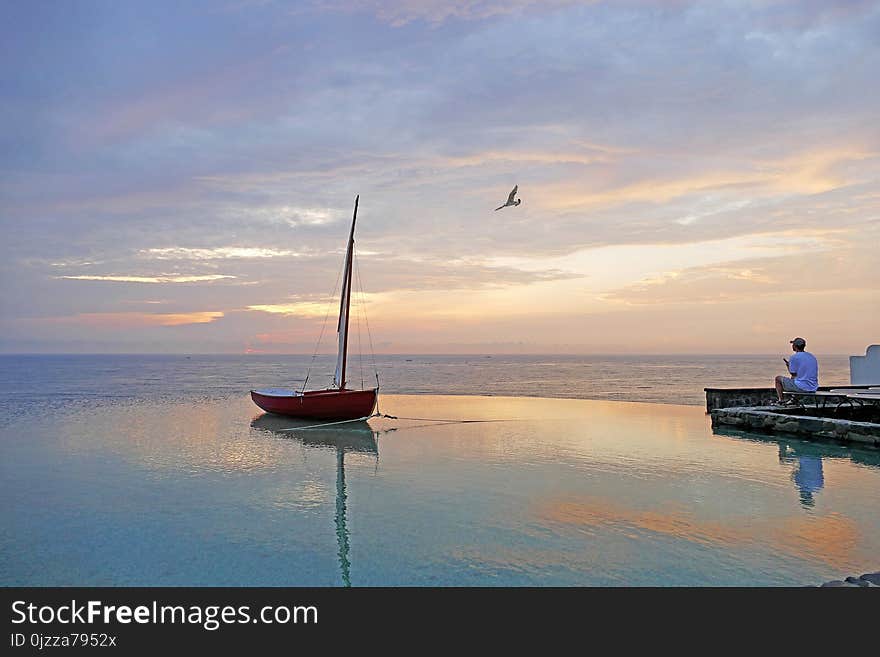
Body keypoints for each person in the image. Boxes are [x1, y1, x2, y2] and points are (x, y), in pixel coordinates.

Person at [774, 337, 819, 404]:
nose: (792, 346)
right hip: (813, 387)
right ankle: (793, 400)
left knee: (778, 379)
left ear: (795, 346)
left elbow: (793, 374)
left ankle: (781, 400)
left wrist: (788, 366)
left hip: (803, 388)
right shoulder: (811, 356)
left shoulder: (794, 357)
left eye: (793, 344)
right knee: (796, 380)